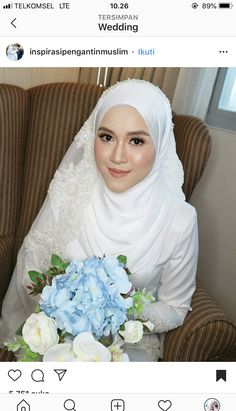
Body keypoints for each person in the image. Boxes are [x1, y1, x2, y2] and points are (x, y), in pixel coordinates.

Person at [0, 79, 198, 360]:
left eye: (136, 140)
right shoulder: (70, 192)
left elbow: (176, 309)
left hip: (128, 347)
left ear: (161, 144)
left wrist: (118, 308)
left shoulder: (181, 220)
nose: (117, 156)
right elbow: (31, 268)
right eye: (106, 137)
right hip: (59, 338)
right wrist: (63, 314)